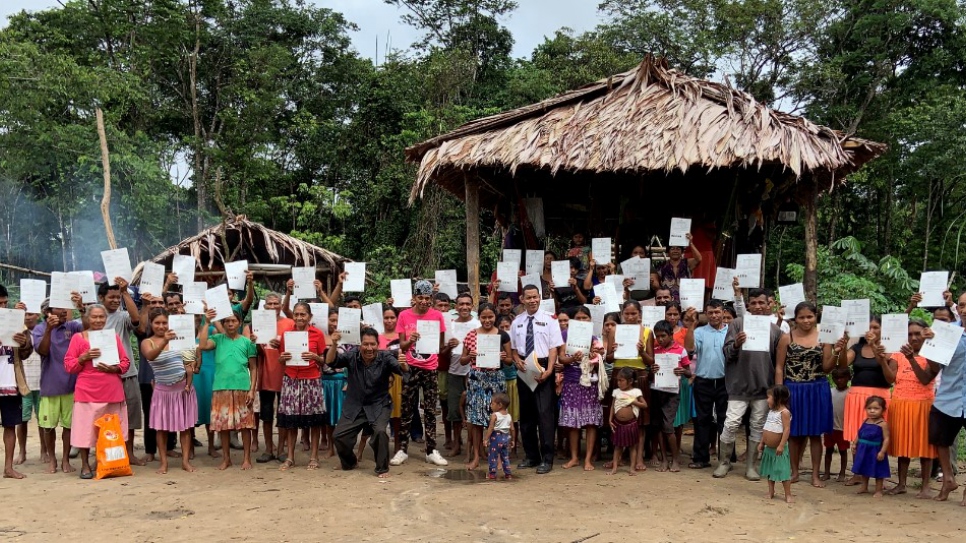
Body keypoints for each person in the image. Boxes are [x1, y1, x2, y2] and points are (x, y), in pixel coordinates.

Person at [716, 288, 783, 480]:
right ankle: (724, 462)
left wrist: (775, 389)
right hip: (738, 386)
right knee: (731, 424)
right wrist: (736, 344)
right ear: (748, 305)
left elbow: (778, 362)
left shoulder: (775, 330)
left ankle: (752, 466)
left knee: (757, 426)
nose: (758, 306)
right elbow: (727, 353)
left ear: (769, 304)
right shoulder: (737, 324)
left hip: (763, 387)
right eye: (753, 303)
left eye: (761, 303)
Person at [327, 327, 408, 478]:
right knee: (339, 436)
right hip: (355, 405)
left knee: (380, 432)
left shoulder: (386, 357)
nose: (369, 348)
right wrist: (333, 344)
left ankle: (382, 468)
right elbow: (331, 362)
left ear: (378, 344)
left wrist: (403, 364)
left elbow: (403, 372)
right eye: (365, 344)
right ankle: (350, 462)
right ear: (360, 345)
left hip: (379, 404)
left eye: (373, 344)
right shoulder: (352, 356)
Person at [63, 304, 131, 480]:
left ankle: (107, 463)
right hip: (87, 391)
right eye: (94, 317)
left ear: (106, 318)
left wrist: (113, 368)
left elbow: (125, 363)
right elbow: (69, 365)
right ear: (87, 318)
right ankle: (85, 465)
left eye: (102, 317)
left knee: (111, 430)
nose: (98, 320)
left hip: (111, 389)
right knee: (85, 430)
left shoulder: (113, 337)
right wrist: (83, 357)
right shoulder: (78, 339)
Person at [774, 302, 836, 487]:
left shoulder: (824, 337)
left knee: (815, 434)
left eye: (810, 316)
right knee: (794, 434)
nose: (806, 320)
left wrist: (837, 352)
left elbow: (826, 368)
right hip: (793, 390)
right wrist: (779, 394)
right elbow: (779, 367)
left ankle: (815, 475)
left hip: (817, 389)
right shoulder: (787, 337)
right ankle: (794, 472)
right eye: (802, 317)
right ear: (795, 318)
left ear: (816, 316)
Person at [391, 280, 451, 467]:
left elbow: (440, 346)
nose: (424, 301)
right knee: (407, 409)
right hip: (410, 367)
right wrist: (411, 341)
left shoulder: (437, 316)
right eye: (420, 297)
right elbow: (401, 345)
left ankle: (431, 450)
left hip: (430, 367)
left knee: (431, 410)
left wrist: (450, 346)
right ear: (414, 298)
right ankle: (402, 449)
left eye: (427, 298)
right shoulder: (404, 316)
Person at [510, 284, 563, 474]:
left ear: (540, 298)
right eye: (529, 297)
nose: (532, 301)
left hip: (543, 367)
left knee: (545, 415)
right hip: (525, 368)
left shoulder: (550, 320)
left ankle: (547, 459)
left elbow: (553, 348)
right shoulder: (517, 321)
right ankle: (532, 456)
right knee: (527, 415)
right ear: (522, 300)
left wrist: (549, 371)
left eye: (535, 297)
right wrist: (517, 361)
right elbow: (514, 349)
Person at [140, 309, 198, 474]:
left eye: (164, 322)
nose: (161, 326)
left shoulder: (178, 340)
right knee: (161, 428)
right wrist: (164, 341)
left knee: (186, 427)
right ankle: (163, 462)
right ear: (151, 324)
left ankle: (185, 461)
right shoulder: (148, 342)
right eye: (157, 322)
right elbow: (150, 356)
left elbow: (189, 358)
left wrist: (192, 365)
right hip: (162, 392)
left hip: (182, 389)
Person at [836, 316, 892, 486]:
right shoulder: (857, 347)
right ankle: (858, 472)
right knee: (857, 434)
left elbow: (889, 371)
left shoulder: (887, 348)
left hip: (879, 396)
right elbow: (843, 364)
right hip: (856, 397)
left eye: (876, 327)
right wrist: (844, 345)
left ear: (882, 330)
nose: (872, 331)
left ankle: (877, 473)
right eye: (869, 327)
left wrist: (875, 346)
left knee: (877, 435)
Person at [198, 309, 257, 470]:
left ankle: (246, 458)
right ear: (223, 324)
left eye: (234, 321)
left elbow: (253, 368)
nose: (231, 323)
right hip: (221, 388)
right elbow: (202, 345)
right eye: (227, 321)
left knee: (245, 425)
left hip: (242, 388)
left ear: (239, 323)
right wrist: (208, 322)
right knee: (223, 426)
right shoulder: (217, 339)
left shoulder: (247, 342)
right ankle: (226, 459)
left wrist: (252, 389)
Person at [886, 319, 937, 497]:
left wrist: (911, 360)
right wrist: (881, 359)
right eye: (910, 334)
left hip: (923, 405)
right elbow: (889, 379)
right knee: (903, 446)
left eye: (918, 334)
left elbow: (925, 379)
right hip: (900, 403)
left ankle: (925, 486)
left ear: (925, 334)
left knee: (925, 447)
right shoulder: (897, 355)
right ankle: (901, 484)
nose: (914, 337)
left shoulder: (932, 354)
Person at [273, 302, 327, 471]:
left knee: (315, 421)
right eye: (296, 314)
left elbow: (324, 360)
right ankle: (290, 457)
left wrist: (315, 357)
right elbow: (281, 359)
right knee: (291, 421)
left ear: (309, 317)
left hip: (312, 380)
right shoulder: (287, 334)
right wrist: (282, 358)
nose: (299, 317)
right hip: (291, 380)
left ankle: (314, 456)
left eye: (303, 314)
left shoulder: (317, 334)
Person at [33, 298, 84, 474]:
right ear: (49, 312)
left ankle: (65, 460)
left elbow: (89, 328)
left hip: (71, 385)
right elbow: (43, 351)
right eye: (59, 308)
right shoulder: (40, 329)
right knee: (48, 427)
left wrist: (82, 308)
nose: (64, 311)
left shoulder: (73, 326)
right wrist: (49, 329)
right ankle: (52, 460)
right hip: (50, 386)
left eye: (66, 308)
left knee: (69, 426)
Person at [96, 280, 144, 466]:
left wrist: (125, 293)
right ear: (101, 298)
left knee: (130, 414)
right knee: (103, 416)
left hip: (126, 373)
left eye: (118, 297)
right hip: (102, 374)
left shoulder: (123, 316)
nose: (115, 300)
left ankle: (129, 452)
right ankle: (104, 453)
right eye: (112, 297)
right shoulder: (94, 316)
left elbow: (136, 319)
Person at [460, 303, 511, 470]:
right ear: (479, 317)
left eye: (490, 317)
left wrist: (504, 357)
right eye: (484, 317)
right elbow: (462, 360)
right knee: (476, 420)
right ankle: (476, 456)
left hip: (496, 379)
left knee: (498, 419)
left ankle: (496, 457)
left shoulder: (502, 335)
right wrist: (470, 356)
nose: (487, 320)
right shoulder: (471, 335)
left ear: (495, 317)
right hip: (477, 379)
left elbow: (510, 360)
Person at [604, 301, 653, 471]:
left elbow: (651, 361)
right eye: (627, 314)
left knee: (638, 420)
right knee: (618, 415)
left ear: (640, 314)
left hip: (639, 376)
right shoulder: (614, 330)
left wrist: (642, 351)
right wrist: (614, 351)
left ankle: (638, 458)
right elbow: (608, 359)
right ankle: (617, 457)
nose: (631, 317)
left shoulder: (647, 331)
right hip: (619, 376)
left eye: (634, 314)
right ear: (622, 314)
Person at [557, 305, 605, 471]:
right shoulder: (564, 335)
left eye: (585, 318)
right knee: (573, 422)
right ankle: (575, 457)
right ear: (572, 321)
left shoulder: (594, 338)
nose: (582, 321)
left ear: (590, 320)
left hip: (589, 383)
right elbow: (561, 358)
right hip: (571, 382)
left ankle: (588, 459)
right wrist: (572, 360)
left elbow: (601, 357)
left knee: (591, 422)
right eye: (578, 318)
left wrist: (595, 356)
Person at [684, 301, 728, 469]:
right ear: (706, 314)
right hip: (703, 381)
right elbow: (689, 348)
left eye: (717, 312)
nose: (714, 315)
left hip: (725, 381)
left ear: (723, 312)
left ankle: (726, 458)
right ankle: (701, 458)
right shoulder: (700, 331)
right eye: (710, 312)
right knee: (702, 420)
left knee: (725, 420)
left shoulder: (730, 331)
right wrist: (690, 326)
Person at [252, 292, 290, 464]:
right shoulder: (258, 324)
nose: (273, 307)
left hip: (285, 375)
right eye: (270, 304)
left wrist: (280, 345)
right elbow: (257, 353)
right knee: (266, 415)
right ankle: (268, 449)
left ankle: (281, 449)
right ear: (264, 306)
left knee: (283, 415)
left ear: (281, 306)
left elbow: (295, 347)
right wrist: (255, 343)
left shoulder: (290, 323)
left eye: (276, 304)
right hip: (265, 374)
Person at [650, 319, 691, 473]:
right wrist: (652, 370)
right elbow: (650, 374)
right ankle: (664, 460)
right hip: (657, 390)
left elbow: (689, 372)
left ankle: (674, 459)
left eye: (663, 336)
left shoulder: (680, 350)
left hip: (673, 392)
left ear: (670, 335)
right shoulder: (655, 351)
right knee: (659, 425)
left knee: (668, 426)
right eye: (658, 336)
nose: (660, 339)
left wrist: (682, 372)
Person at [0, 288, 32, 480]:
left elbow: (27, 353)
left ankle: (8, 467)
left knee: (10, 425)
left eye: (5, 303)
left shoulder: (15, 324)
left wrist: (24, 341)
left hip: (12, 383)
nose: (3, 307)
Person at [446, 292, 480, 458]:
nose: (464, 307)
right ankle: (456, 443)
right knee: (454, 412)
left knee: (475, 411)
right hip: (454, 372)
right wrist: (447, 346)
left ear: (472, 306)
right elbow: (442, 351)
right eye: (461, 304)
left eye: (468, 304)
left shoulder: (478, 324)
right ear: (456, 307)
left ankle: (476, 446)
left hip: (474, 372)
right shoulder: (450, 326)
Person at [16, 308, 46, 466]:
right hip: (24, 383)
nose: (28, 317)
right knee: (22, 419)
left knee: (43, 419)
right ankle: (22, 451)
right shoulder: (18, 332)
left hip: (41, 382)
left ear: (38, 315)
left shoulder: (43, 331)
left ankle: (44, 450)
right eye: (25, 314)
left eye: (30, 314)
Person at [607, 367, 646, 476]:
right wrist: (610, 419)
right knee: (617, 446)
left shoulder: (636, 392)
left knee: (632, 447)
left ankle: (632, 468)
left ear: (630, 381)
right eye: (618, 380)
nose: (619, 383)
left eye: (621, 380)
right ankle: (614, 468)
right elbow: (612, 406)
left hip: (631, 424)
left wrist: (633, 402)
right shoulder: (616, 392)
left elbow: (644, 405)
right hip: (618, 423)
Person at [758, 385, 793, 503]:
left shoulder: (784, 413)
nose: (767, 400)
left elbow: (786, 429)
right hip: (769, 448)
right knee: (769, 470)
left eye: (769, 397)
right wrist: (762, 442)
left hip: (779, 449)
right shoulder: (771, 412)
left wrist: (782, 445)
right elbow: (766, 427)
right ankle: (771, 491)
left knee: (783, 471)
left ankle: (788, 494)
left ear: (777, 398)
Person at [851, 396, 891, 498]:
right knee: (864, 468)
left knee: (878, 470)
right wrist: (855, 444)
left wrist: (882, 452)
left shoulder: (883, 424)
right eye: (869, 408)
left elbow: (886, 438)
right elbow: (859, 434)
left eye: (876, 408)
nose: (872, 411)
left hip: (875, 450)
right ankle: (864, 487)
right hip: (863, 450)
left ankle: (878, 490)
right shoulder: (866, 421)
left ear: (883, 410)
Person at [378, 305, 403, 455]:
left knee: (398, 415)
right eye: (386, 317)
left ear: (397, 319)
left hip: (399, 380)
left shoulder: (402, 337)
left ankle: (398, 447)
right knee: (381, 415)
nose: (389, 320)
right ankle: (382, 447)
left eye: (392, 317)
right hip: (381, 380)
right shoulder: (377, 337)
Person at [650, 233, 701, 303]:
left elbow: (698, 259)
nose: (675, 251)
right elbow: (657, 285)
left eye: (678, 249)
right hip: (667, 302)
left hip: (685, 301)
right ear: (668, 252)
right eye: (672, 249)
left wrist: (690, 243)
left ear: (682, 252)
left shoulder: (687, 263)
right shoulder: (662, 266)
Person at [823, 367, 851, 482]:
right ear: (833, 379)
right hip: (830, 427)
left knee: (843, 451)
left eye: (842, 378)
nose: (839, 380)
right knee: (828, 450)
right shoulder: (830, 391)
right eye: (836, 378)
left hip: (843, 428)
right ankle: (826, 473)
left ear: (849, 378)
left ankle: (842, 473)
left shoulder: (850, 393)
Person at [484, 392, 515, 480]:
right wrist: (513, 440)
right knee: (505, 456)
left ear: (499, 405)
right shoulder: (509, 416)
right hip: (506, 437)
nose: (490, 405)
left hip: (496, 437)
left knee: (493, 455)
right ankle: (508, 473)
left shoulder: (494, 415)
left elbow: (491, 427)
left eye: (492, 403)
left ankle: (492, 473)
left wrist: (486, 438)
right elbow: (512, 429)